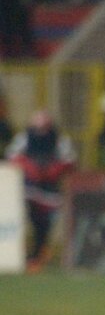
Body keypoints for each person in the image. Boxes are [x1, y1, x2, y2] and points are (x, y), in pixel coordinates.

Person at [5, 108, 75, 269]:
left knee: (46, 222)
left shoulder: (59, 140)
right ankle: (30, 251)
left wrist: (52, 170)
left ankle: (41, 251)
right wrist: (30, 168)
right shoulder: (24, 137)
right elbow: (12, 155)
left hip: (50, 188)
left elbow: (69, 160)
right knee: (29, 218)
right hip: (29, 187)